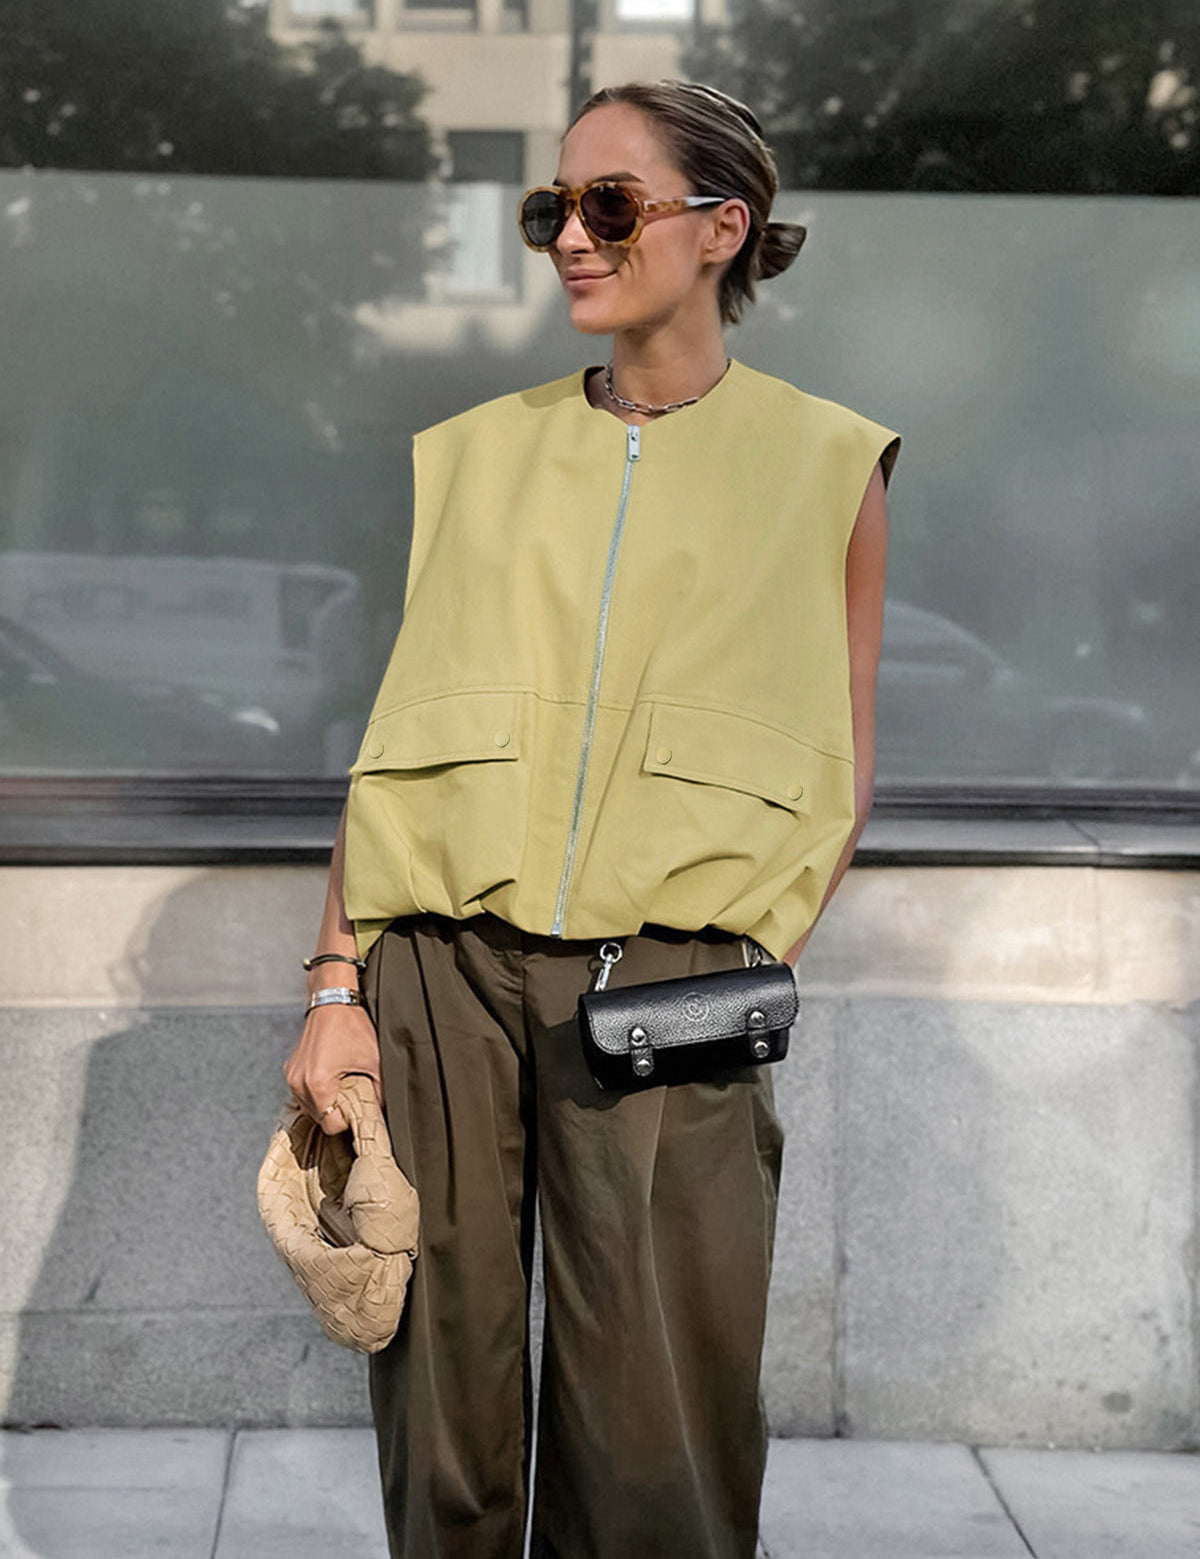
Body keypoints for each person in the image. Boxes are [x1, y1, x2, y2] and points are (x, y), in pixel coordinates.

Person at [285, 79, 898, 1559]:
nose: (569, 235)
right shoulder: (472, 454)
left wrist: (748, 955)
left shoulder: (829, 463)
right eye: (548, 207)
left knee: (656, 1412)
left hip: (673, 979)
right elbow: (397, 748)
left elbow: (847, 758)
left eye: (607, 204)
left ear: (719, 228)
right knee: (443, 1385)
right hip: (439, 971)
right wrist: (335, 986)